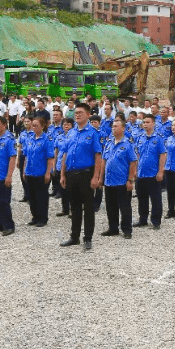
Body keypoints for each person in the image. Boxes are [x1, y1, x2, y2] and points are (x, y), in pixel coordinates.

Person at [59, 102, 104, 251]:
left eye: (81, 112)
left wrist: (96, 177)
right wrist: (62, 174)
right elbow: (65, 154)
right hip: (71, 174)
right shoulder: (71, 132)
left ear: (88, 115)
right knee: (75, 207)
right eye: (76, 112)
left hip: (86, 174)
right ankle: (74, 236)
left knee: (88, 208)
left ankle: (88, 238)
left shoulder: (93, 133)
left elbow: (98, 156)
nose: (77, 115)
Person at [101, 118, 138, 238]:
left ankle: (127, 230)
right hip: (109, 181)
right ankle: (113, 228)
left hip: (122, 181)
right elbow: (104, 160)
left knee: (125, 207)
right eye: (112, 126)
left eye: (116, 126)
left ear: (123, 129)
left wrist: (130, 180)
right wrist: (101, 177)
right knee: (110, 206)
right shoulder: (109, 142)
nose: (113, 128)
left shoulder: (127, 144)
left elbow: (133, 162)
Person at [134, 115, 166, 228]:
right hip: (141, 173)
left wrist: (161, 171)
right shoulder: (140, 137)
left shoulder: (158, 138)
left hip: (153, 173)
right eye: (144, 122)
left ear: (153, 124)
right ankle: (143, 219)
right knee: (142, 198)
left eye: (148, 122)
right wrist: (135, 170)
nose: (145, 124)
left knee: (155, 199)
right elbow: (137, 154)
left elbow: (163, 155)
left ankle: (156, 221)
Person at [22, 116, 52, 227]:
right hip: (30, 171)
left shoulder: (47, 139)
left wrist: (48, 172)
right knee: (32, 196)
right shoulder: (29, 138)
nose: (33, 127)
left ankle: (42, 218)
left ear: (43, 126)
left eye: (36, 125)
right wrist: (24, 170)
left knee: (41, 196)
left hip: (41, 172)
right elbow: (26, 156)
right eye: (32, 125)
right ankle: (35, 216)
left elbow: (50, 158)